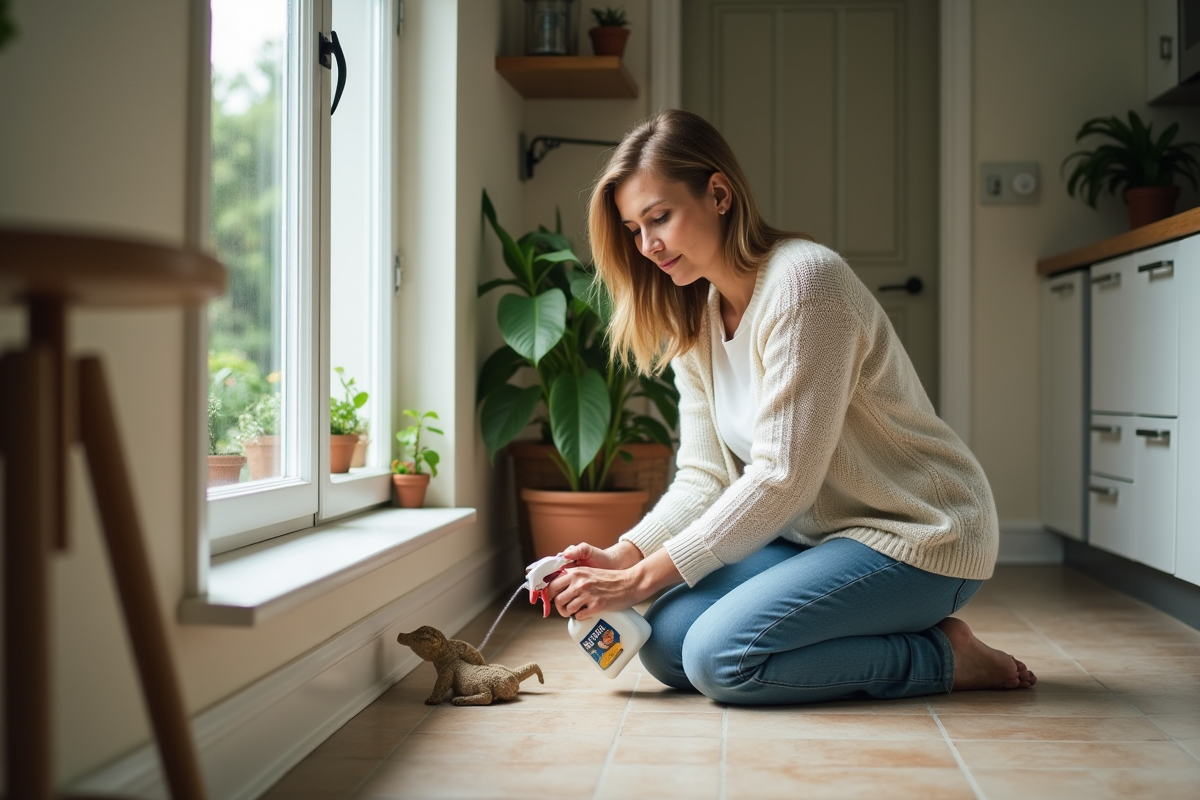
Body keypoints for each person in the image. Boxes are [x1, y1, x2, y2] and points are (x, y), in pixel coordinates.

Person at [542, 109, 1036, 705]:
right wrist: (625, 553)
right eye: (633, 229)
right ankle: (866, 620)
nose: (648, 245)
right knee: (666, 644)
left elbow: (781, 479)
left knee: (717, 659)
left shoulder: (805, 286)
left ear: (719, 194)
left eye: (660, 218)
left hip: (918, 533)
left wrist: (640, 578)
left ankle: (943, 657)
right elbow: (704, 479)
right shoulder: (694, 316)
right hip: (813, 537)